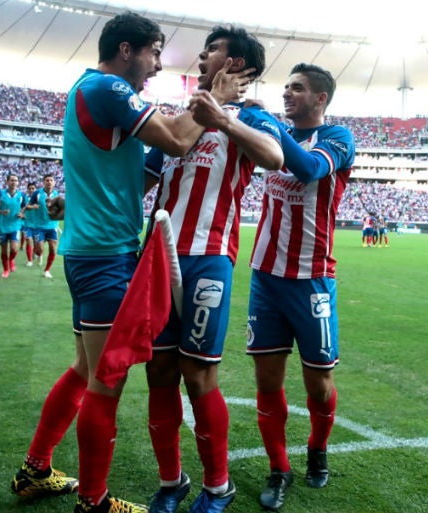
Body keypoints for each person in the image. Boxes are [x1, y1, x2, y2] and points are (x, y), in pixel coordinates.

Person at [9, 12, 250, 513]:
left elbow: (112, 169)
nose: (159, 65)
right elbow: (179, 139)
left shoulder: (93, 91)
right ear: (126, 50)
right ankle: (94, 502)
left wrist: (67, 203)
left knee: (83, 369)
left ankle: (35, 467)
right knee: (106, 382)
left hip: (90, 248)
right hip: (104, 256)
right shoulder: (106, 88)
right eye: (155, 53)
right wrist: (219, 102)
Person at [145, 25, 283, 513]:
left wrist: (221, 118)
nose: (202, 55)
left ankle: (218, 485)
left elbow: (273, 157)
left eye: (214, 50)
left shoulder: (254, 117)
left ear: (238, 65)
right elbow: (144, 174)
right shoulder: (177, 118)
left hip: (208, 258)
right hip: (157, 259)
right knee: (158, 370)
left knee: (198, 373)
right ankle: (171, 482)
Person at [242, 63, 355, 512]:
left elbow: (308, 169)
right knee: (267, 380)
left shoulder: (338, 139)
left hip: (312, 280)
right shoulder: (272, 137)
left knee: (319, 383)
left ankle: (318, 448)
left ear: (321, 98)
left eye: (298, 88)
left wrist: (266, 121)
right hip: (266, 277)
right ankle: (278, 467)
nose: (288, 93)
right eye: (286, 87)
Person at [25, 174, 61, 278]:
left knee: (53, 249)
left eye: (51, 180)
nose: (49, 182)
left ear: (54, 183)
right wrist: (33, 206)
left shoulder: (57, 195)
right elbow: (27, 206)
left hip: (52, 226)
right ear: (43, 182)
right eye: (47, 180)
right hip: (39, 226)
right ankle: (38, 254)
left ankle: (47, 270)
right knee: (39, 249)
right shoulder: (37, 193)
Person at [0, 173, 25, 278]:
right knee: (3, 249)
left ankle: (11, 260)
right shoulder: (1, 194)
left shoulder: (21, 195)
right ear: (7, 182)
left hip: (15, 225)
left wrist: (22, 214)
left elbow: (25, 208)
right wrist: (2, 211)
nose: (14, 182)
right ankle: (6, 270)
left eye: (16, 180)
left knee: (13, 249)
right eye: (12, 180)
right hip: (2, 226)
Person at [21, 182, 38, 267]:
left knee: (36, 242)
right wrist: (21, 214)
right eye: (30, 188)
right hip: (27, 223)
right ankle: (29, 260)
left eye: (33, 188)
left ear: (35, 189)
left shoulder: (39, 198)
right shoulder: (24, 198)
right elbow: (22, 207)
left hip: (37, 224)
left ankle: (35, 252)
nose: (31, 190)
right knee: (28, 241)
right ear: (27, 189)